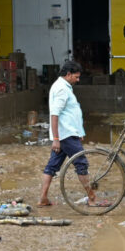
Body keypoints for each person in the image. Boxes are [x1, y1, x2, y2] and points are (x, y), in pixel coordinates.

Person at [37, 60, 107, 208]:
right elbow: (55, 114)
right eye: (76, 76)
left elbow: (69, 113)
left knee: (52, 166)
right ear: (68, 74)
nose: (78, 79)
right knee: (81, 164)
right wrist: (56, 139)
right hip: (65, 135)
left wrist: (77, 132)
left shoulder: (62, 86)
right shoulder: (62, 89)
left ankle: (43, 198)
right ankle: (92, 198)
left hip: (67, 134)